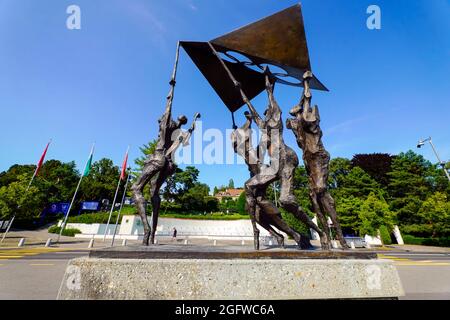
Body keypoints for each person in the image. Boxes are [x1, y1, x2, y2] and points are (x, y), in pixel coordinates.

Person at [132, 80, 200, 246]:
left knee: (136, 188)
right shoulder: (179, 133)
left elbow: (167, 108)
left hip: (158, 158)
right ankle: (152, 235)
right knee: (154, 194)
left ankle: (147, 229)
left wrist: (171, 89)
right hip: (169, 164)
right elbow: (189, 135)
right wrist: (193, 122)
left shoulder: (167, 125)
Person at [286, 71, 348, 249]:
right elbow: (294, 116)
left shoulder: (312, 128)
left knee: (322, 194)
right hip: (311, 168)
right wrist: (297, 108)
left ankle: (340, 239)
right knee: (316, 201)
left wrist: (306, 83)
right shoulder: (300, 132)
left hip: (317, 161)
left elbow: (306, 104)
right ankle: (326, 238)